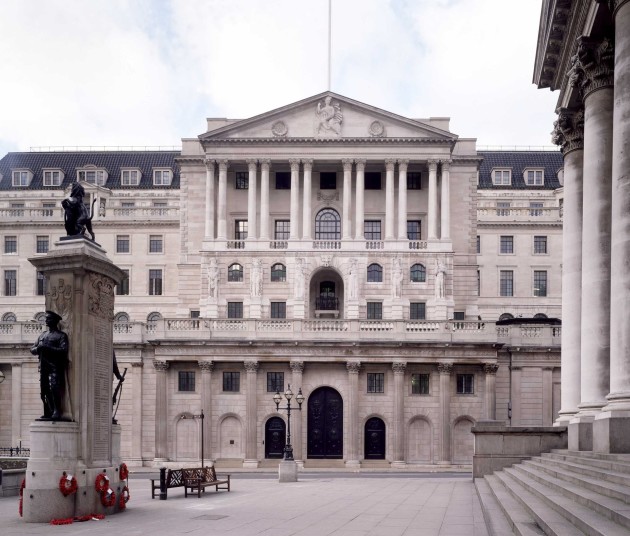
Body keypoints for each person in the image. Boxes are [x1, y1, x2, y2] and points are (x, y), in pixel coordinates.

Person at [31, 311, 69, 420]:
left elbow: (63, 350)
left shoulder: (61, 335)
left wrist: (47, 348)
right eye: (46, 319)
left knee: (55, 388)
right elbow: (32, 349)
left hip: (55, 366)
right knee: (44, 390)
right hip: (43, 366)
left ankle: (57, 410)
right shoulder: (42, 335)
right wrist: (38, 348)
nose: (46, 320)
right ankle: (47, 411)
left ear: (55, 321)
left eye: (49, 319)